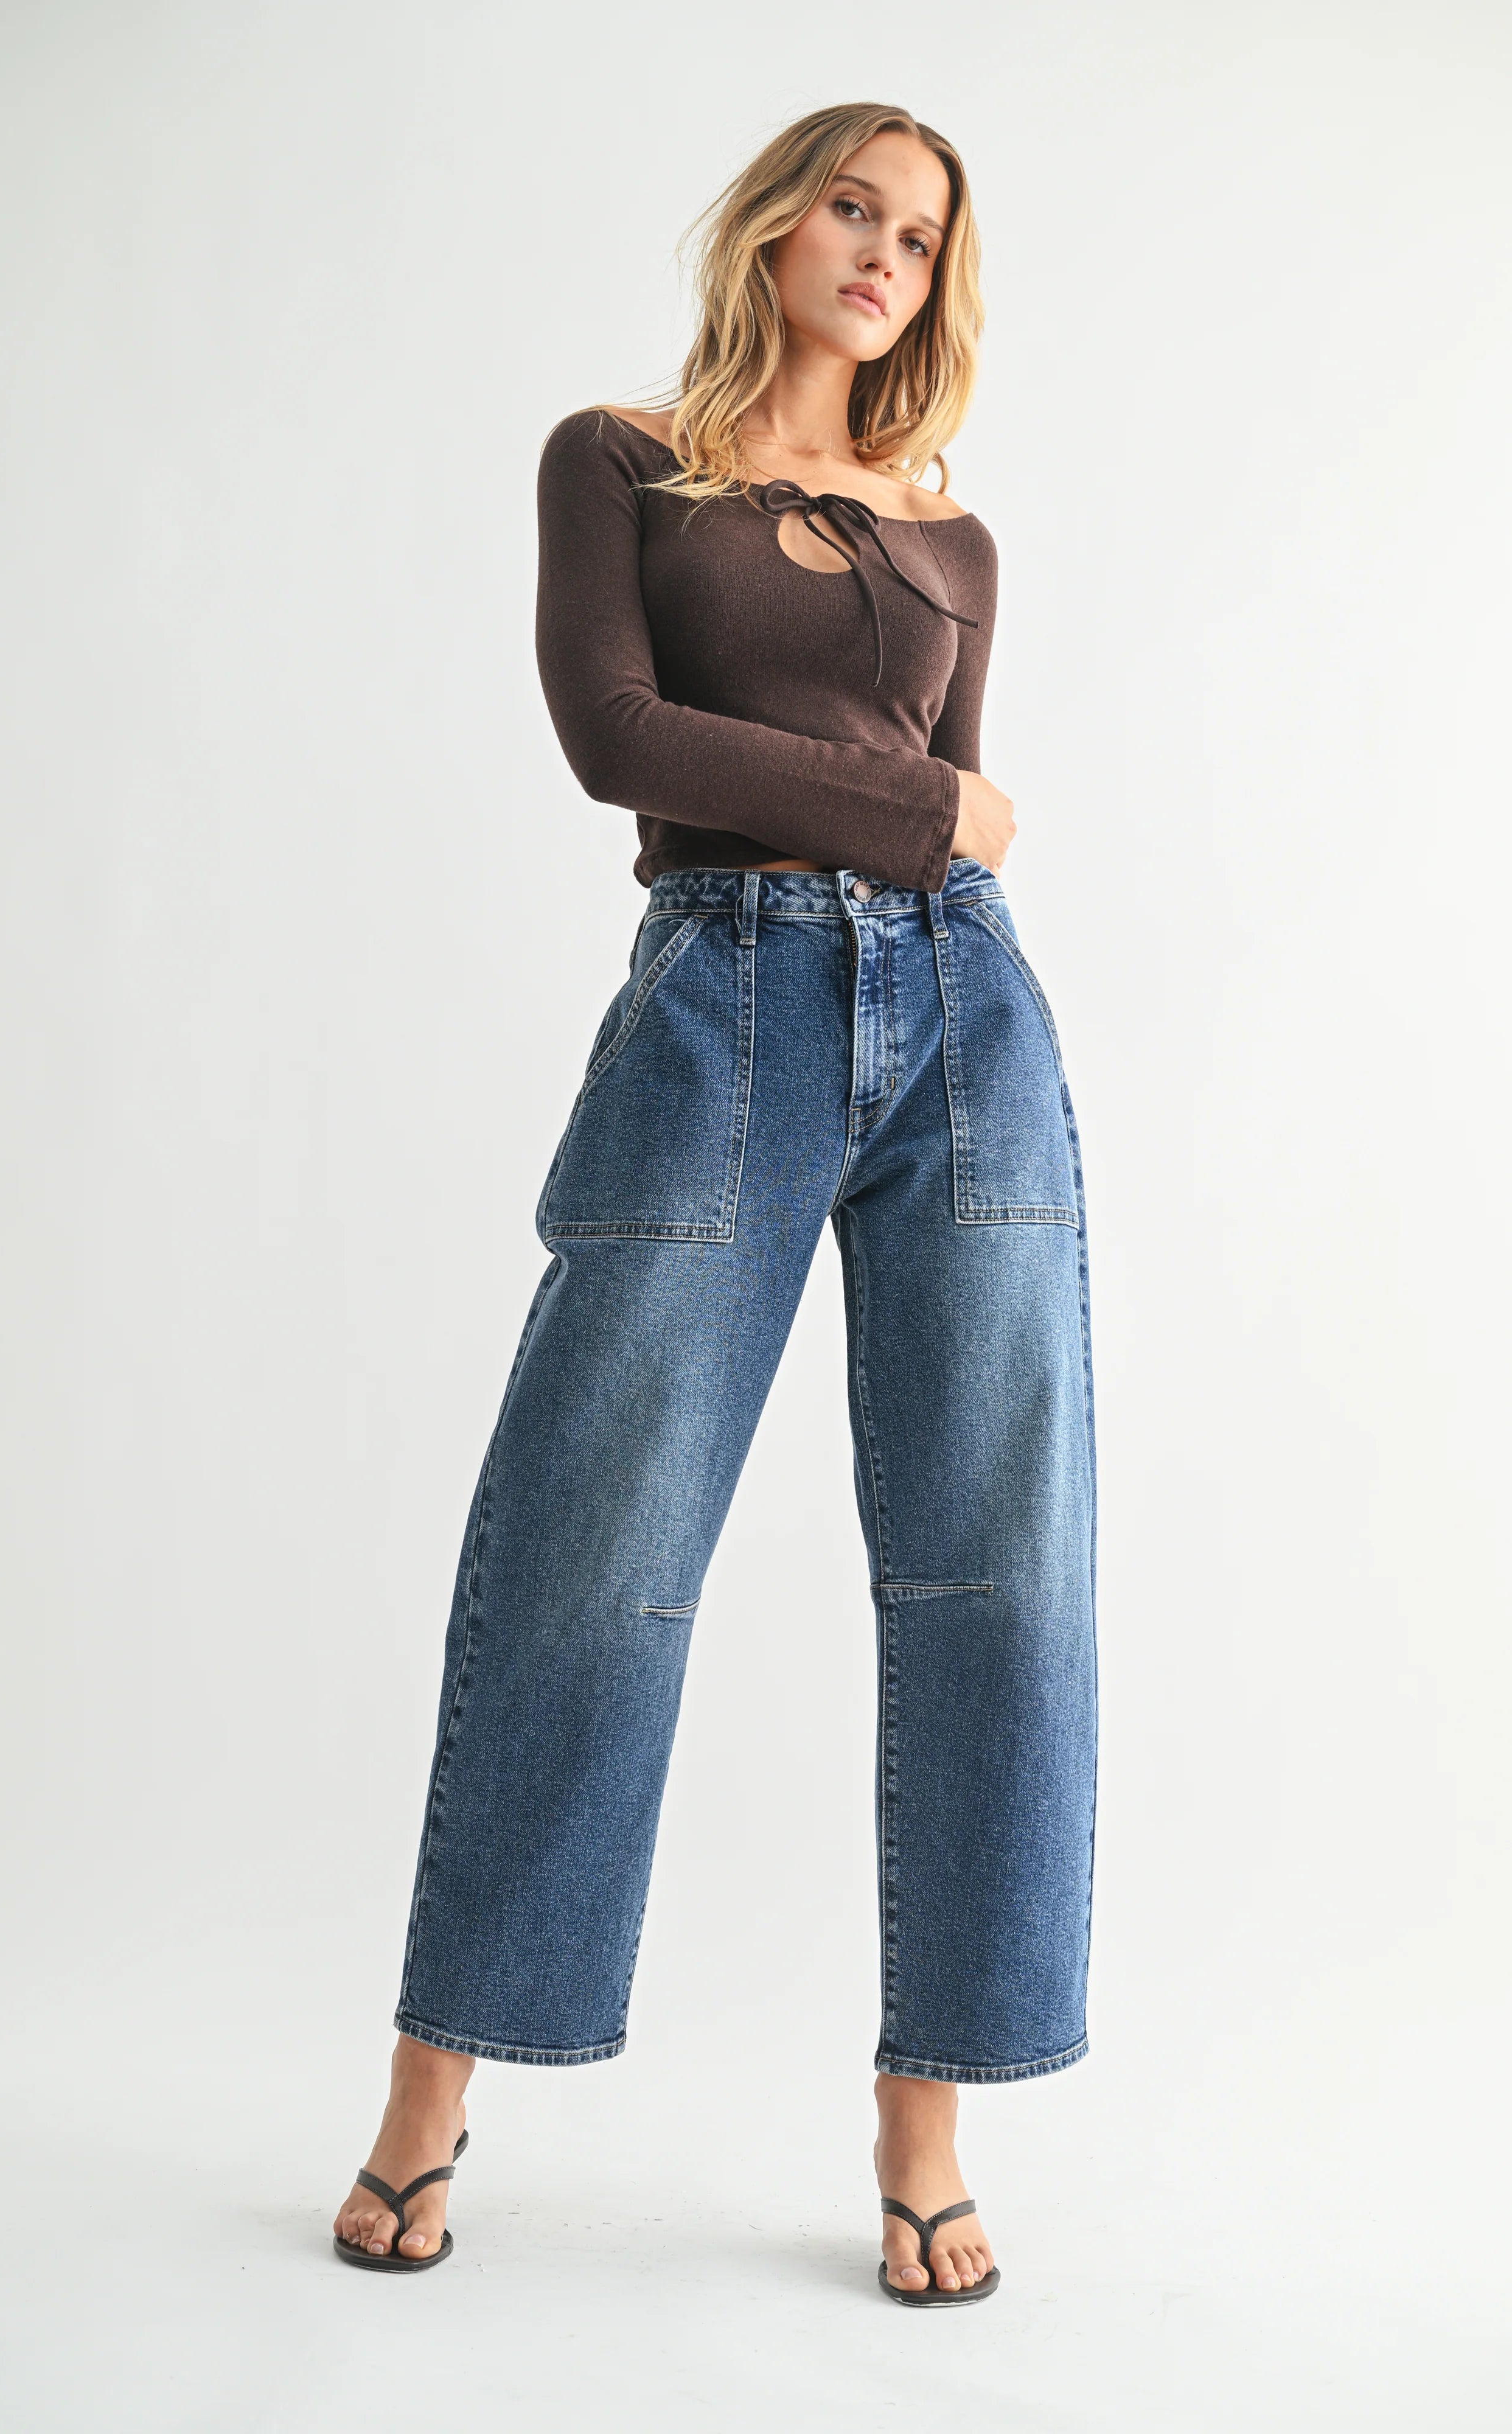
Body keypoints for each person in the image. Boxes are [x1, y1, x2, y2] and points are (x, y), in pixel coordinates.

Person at [332, 100, 1097, 2307]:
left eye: (922, 235)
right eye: (854, 208)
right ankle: (425, 2099)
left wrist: (935, 830)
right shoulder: (620, 459)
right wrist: (925, 799)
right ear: (776, 226)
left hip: (971, 1035)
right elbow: (619, 736)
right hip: (717, 1013)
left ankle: (923, 2123)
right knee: (591, 1546)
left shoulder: (951, 537)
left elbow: (952, 860)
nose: (884, 254)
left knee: (993, 1570)